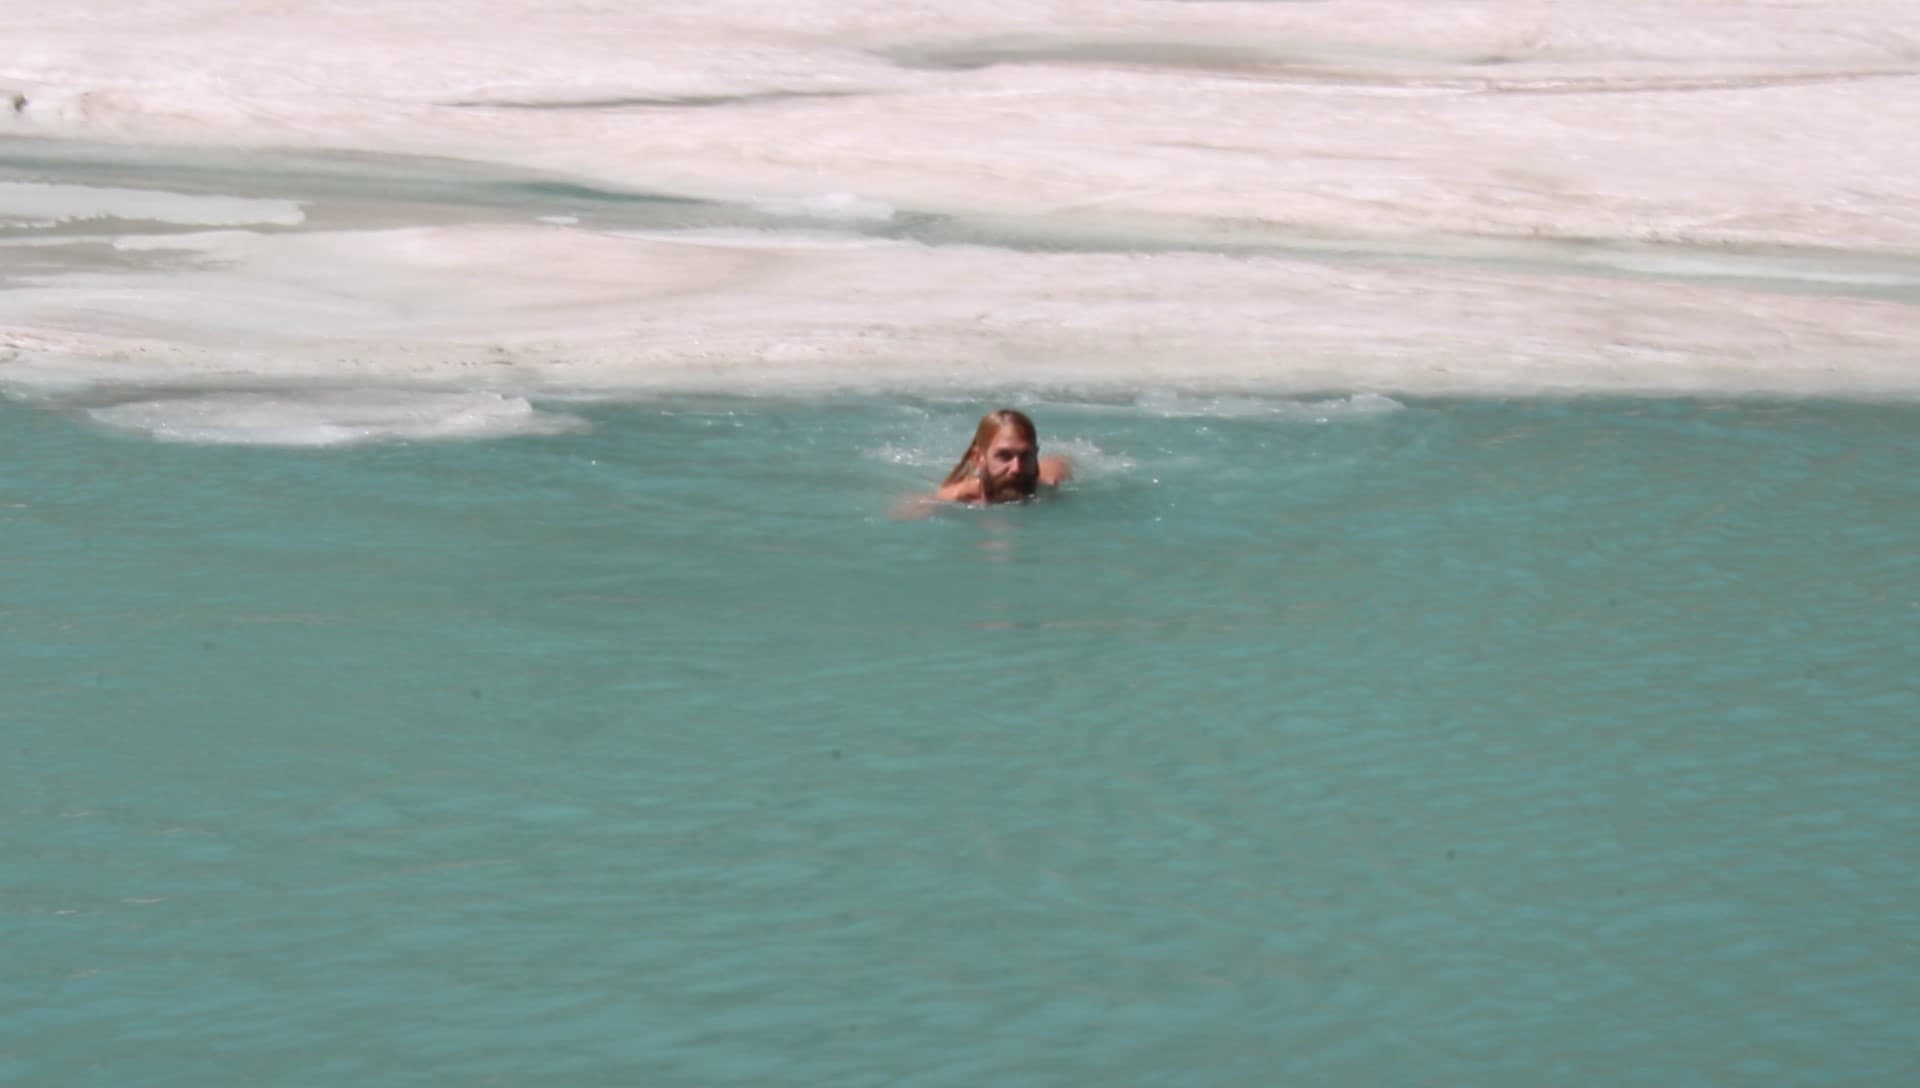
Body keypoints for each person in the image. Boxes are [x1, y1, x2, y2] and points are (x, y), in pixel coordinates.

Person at [930, 408, 1072, 505]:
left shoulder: (1049, 486)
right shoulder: (953, 498)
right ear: (979, 458)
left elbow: (1061, 463)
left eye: (1026, 455)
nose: (1017, 468)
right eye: (1004, 456)